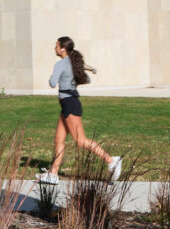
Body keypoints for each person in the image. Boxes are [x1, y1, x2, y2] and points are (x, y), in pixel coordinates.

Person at [39, 35, 122, 183]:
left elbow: (52, 83)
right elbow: (87, 79)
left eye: (57, 45)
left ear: (63, 49)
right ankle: (53, 174)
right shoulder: (73, 63)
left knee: (81, 140)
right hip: (68, 105)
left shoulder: (61, 64)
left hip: (70, 105)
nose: (55, 48)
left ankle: (111, 161)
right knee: (59, 139)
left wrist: (57, 75)